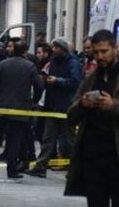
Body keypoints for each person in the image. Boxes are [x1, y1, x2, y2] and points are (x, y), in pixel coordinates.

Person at [64, 29, 119, 206]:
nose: (100, 56)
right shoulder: (89, 79)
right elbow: (70, 116)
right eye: (96, 52)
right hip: (92, 157)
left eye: (104, 51)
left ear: (115, 49)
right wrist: (82, 104)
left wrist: (114, 106)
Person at [0, 39, 43, 179]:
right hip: (21, 107)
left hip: (2, 106)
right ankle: (12, 170)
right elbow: (39, 86)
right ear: (24, 52)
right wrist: (33, 101)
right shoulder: (30, 66)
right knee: (15, 140)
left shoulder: (3, 64)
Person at [28, 37, 82, 178]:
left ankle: (76, 169)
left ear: (62, 48)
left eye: (56, 47)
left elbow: (75, 82)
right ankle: (41, 167)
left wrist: (57, 81)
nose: (53, 49)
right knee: (48, 138)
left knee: (70, 140)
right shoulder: (53, 61)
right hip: (52, 106)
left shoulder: (73, 63)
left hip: (66, 107)